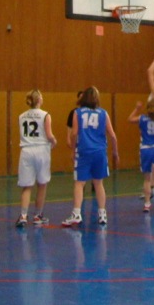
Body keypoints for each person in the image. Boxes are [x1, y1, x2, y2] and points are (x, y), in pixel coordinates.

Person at [62, 87, 119, 228]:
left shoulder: (77, 112)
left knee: (79, 183)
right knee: (98, 183)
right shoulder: (103, 113)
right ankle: (102, 213)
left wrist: (74, 150)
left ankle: (76, 213)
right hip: (100, 152)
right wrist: (115, 152)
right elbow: (112, 135)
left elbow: (74, 133)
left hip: (84, 151)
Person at [16, 89, 57, 227]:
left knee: (27, 186)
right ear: (39, 99)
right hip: (41, 150)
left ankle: (23, 216)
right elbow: (49, 134)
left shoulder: (21, 116)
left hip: (26, 151)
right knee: (42, 184)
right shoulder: (45, 115)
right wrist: (54, 141)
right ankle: (38, 215)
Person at [128, 96, 154, 212]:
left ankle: (147, 203)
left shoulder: (142, 118)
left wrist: (137, 109)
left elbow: (129, 119)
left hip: (145, 149)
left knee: (147, 179)